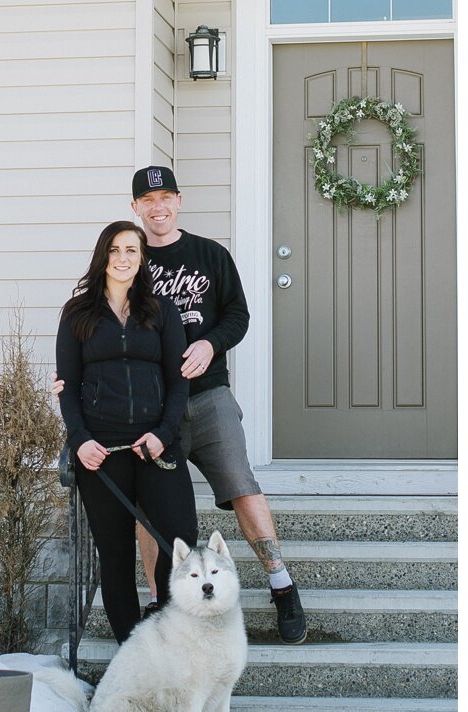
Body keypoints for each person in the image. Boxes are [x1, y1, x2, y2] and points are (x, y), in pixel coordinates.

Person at [130, 164, 306, 642]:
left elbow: (238, 315)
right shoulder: (129, 260)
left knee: (241, 484)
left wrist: (209, 344)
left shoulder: (210, 255)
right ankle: (155, 600)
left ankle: (281, 586)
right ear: (135, 208)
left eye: (165, 196)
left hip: (209, 396)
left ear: (179, 201)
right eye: (148, 201)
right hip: (152, 407)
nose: (158, 206)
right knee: (148, 505)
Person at [56, 220, 198, 645]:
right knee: (115, 556)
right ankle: (133, 653)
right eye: (116, 250)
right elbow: (67, 385)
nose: (123, 258)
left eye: (132, 250)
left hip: (156, 446)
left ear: (142, 258)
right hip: (103, 451)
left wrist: (164, 432)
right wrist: (80, 441)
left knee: (179, 544)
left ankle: (172, 638)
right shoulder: (78, 313)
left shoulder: (161, 311)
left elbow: (178, 382)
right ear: (104, 256)